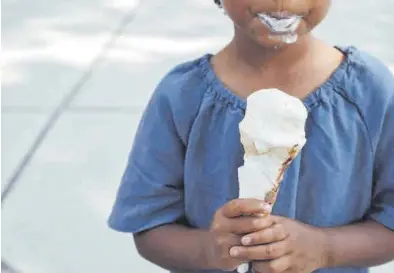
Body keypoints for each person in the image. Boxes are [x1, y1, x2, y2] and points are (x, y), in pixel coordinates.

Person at [108, 0, 394, 272]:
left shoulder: (371, 93)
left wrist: (325, 249)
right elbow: (148, 226)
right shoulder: (181, 97)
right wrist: (209, 249)